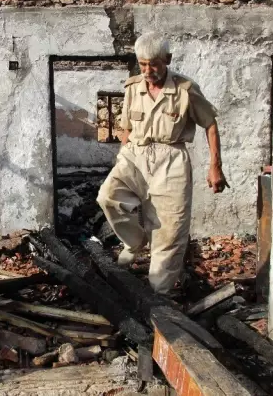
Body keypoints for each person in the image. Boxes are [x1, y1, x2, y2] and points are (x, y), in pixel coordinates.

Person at [96, 32, 229, 295]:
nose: (147, 70)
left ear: (167, 59)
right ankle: (134, 242)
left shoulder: (185, 89)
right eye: (142, 64)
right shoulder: (133, 87)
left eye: (154, 64)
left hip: (171, 159)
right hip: (135, 154)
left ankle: (159, 297)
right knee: (107, 197)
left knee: (169, 232)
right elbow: (126, 128)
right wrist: (122, 158)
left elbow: (210, 124)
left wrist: (215, 166)